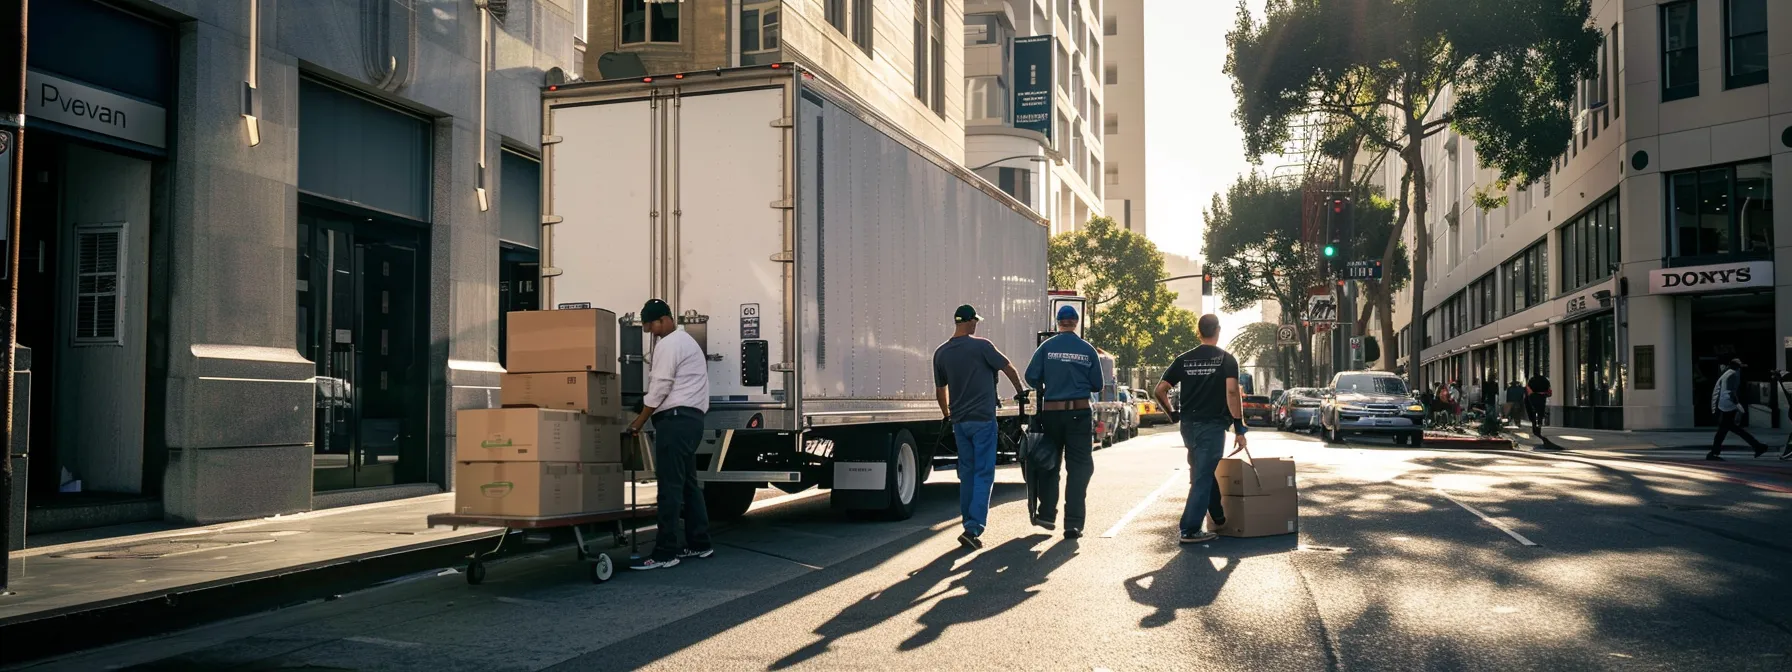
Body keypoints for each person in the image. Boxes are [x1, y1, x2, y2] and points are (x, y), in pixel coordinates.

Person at [625, 299, 713, 571]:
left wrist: (639, 421)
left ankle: (665, 552)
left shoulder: (669, 344)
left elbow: (661, 386)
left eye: (651, 326)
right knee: (688, 484)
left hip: (675, 422)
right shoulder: (686, 342)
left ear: (664, 320)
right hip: (691, 421)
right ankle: (700, 543)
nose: (651, 333)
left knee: (669, 488)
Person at [934, 304, 1027, 550]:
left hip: (960, 423)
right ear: (969, 322)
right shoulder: (982, 346)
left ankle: (968, 522)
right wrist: (1020, 392)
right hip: (983, 421)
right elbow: (1008, 367)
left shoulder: (941, 353)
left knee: (966, 474)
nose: (976, 324)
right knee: (984, 473)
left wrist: (947, 415)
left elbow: (940, 390)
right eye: (975, 321)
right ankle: (973, 528)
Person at [1153, 314, 1246, 545]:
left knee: (1202, 470)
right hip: (1212, 425)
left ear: (1198, 331)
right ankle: (1190, 529)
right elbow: (1232, 392)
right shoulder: (1226, 359)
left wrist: (1172, 414)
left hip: (1188, 426)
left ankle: (1217, 515)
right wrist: (1239, 427)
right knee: (1202, 476)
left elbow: (1159, 390)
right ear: (1218, 330)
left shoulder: (1184, 359)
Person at [1024, 304, 1104, 538]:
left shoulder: (1046, 347)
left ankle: (1047, 514)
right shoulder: (1087, 350)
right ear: (1076, 323)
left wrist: (1049, 382)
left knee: (1049, 462)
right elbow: (1097, 385)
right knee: (1079, 468)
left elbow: (1030, 377)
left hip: (1052, 413)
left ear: (1058, 323)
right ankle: (1073, 524)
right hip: (1079, 413)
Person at [1709, 358, 1769, 461]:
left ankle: (1714, 453)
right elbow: (1729, 392)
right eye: (1740, 367)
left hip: (1725, 405)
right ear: (1736, 367)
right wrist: (1737, 405)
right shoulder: (1732, 374)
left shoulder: (1728, 373)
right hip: (1727, 405)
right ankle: (1757, 446)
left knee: (1724, 430)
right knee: (1728, 429)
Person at [1524, 370, 1553, 448]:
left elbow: (1528, 390)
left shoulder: (1531, 380)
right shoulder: (1545, 380)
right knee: (1540, 413)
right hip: (1542, 398)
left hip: (1533, 397)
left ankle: (1535, 429)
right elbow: (1549, 391)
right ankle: (1539, 427)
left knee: (1533, 414)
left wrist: (1531, 396)